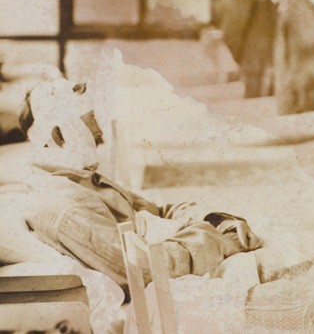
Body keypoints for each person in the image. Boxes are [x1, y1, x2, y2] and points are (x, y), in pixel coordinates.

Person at [3, 78, 263, 289]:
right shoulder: (64, 205)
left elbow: (158, 210)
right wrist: (219, 241)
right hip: (171, 287)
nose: (100, 131)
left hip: (188, 259)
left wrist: (217, 221)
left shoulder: (82, 179)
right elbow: (139, 270)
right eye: (90, 120)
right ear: (60, 135)